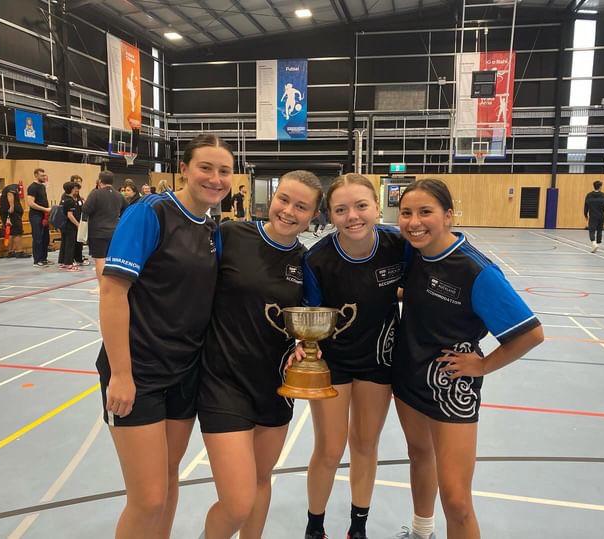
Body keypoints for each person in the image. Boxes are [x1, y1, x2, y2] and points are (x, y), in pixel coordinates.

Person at [96, 134, 234, 538]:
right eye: (205, 168)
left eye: (223, 170)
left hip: (185, 371)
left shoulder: (210, 227)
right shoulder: (151, 213)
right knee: (148, 498)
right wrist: (121, 374)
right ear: (186, 169)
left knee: (170, 479)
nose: (215, 178)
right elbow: (112, 291)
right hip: (139, 374)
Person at [393, 179, 544, 539]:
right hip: (407, 375)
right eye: (406, 213)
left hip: (451, 387)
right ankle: (420, 530)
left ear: (448, 216)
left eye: (425, 212)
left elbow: (531, 334)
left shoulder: (476, 271)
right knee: (419, 455)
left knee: (458, 501)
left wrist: (483, 365)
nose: (414, 222)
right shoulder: (414, 253)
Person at [198, 170, 323, 539]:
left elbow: (311, 325)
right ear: (273, 197)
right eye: (284, 199)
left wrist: (306, 347)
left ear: (314, 215)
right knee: (237, 501)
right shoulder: (231, 235)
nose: (288, 211)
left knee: (261, 480)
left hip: (273, 384)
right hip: (223, 381)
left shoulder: (306, 262)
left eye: (301, 207)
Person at [301, 174, 412, 539]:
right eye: (341, 209)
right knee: (330, 449)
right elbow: (311, 318)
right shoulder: (317, 259)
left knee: (365, 445)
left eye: (361, 205)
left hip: (378, 360)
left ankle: (357, 527)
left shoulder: (398, 245)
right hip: (333, 362)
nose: (353, 216)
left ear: (378, 207)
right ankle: (314, 528)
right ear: (329, 215)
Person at [82, 171, 127, 292]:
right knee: (111, 260)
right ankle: (112, 286)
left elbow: (85, 210)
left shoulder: (95, 194)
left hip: (98, 232)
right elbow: (127, 210)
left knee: (100, 260)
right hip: (115, 232)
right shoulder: (119, 195)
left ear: (100, 181)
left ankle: (102, 287)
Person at [27, 168, 52, 267]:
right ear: (36, 175)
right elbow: (30, 203)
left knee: (45, 237)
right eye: (42, 175)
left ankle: (44, 258)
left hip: (44, 215)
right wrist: (44, 209)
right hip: (36, 215)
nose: (44, 177)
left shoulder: (42, 186)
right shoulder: (32, 187)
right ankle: (37, 260)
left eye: (44, 175)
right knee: (38, 238)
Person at [57, 181, 83, 271]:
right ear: (72, 189)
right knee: (70, 245)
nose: (77, 190)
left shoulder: (64, 198)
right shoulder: (70, 201)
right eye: (75, 188)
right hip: (70, 226)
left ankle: (62, 262)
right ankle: (69, 264)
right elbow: (70, 215)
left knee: (64, 244)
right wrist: (78, 224)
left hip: (64, 226)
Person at [0, 182, 30, 258]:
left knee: (11, 232)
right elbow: (10, 194)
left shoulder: (4, 192)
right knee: (17, 232)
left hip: (5, 213)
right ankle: (19, 251)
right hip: (12, 213)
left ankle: (11, 251)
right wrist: (12, 206)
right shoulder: (14, 187)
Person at [584, 180, 604, 253]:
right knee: (599, 230)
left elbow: (586, 206)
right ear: (600, 187)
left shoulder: (589, 195)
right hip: (601, 215)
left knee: (592, 230)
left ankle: (594, 243)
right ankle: (598, 243)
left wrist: (585, 214)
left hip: (593, 215)